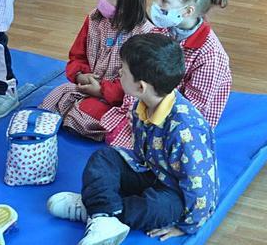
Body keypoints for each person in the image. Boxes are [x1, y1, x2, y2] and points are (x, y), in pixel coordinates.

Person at [46, 33, 218, 245]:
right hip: (149, 170)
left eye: (124, 72)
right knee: (104, 158)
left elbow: (199, 185)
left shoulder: (185, 130)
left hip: (173, 192)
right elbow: (137, 154)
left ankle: (100, 211)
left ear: (141, 86)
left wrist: (187, 226)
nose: (119, 73)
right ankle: (101, 213)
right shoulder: (143, 103)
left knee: (154, 208)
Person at [39, 0, 154, 147]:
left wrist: (102, 90)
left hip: (121, 99)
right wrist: (80, 75)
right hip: (87, 87)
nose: (103, 0)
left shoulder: (144, 33)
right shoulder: (94, 19)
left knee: (86, 114)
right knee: (53, 99)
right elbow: (77, 56)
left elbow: (137, 85)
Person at [151, 0, 231, 128]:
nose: (156, 4)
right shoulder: (160, 29)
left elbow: (193, 109)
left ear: (187, 11)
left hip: (183, 123)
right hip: (153, 104)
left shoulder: (210, 54)